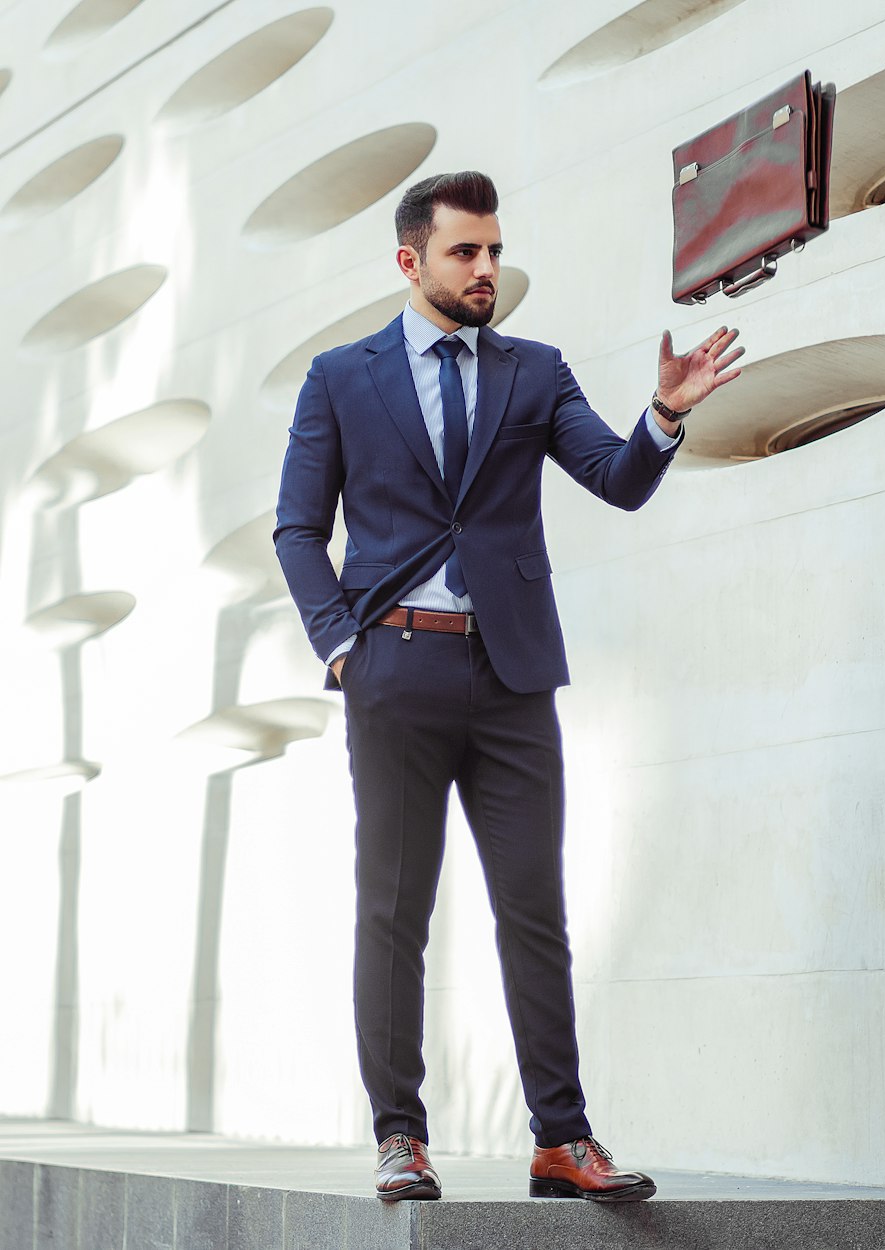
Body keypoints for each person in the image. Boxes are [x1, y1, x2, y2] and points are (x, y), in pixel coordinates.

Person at [274, 170, 742, 1203]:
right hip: (393, 667)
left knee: (533, 908)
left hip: (512, 672)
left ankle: (560, 1136)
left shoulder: (535, 372)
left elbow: (615, 480)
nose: (488, 268)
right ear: (411, 261)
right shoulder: (340, 378)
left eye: (493, 250)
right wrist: (343, 646)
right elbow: (297, 528)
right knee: (392, 910)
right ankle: (401, 1134)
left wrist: (663, 413)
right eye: (465, 253)